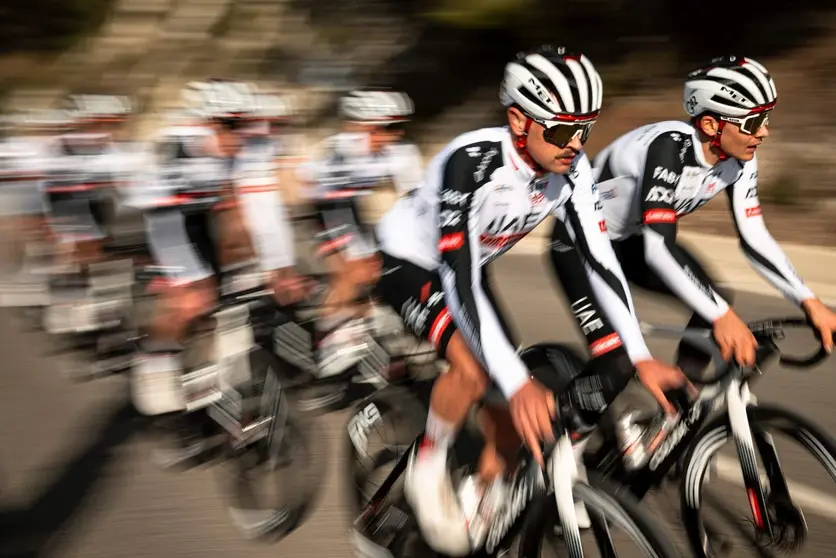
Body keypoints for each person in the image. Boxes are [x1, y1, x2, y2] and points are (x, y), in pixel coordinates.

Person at [374, 45, 690, 556]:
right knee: (478, 370)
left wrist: (639, 354)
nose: (576, 143)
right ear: (519, 121)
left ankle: (484, 493)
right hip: (411, 261)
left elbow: (600, 261)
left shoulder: (574, 169)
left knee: (505, 397)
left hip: (469, 268)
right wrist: (520, 382)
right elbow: (459, 283)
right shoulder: (470, 165)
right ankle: (426, 464)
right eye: (563, 130)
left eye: (585, 129)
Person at [591, 55, 836, 393]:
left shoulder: (739, 157)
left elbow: (754, 236)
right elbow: (659, 248)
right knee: (620, 361)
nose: (764, 132)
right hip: (582, 245)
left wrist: (808, 301)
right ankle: (568, 439)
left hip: (629, 241)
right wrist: (723, 317)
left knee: (715, 297)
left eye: (765, 118)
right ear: (710, 126)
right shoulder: (668, 149)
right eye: (752, 122)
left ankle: (679, 407)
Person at [128, 79, 305, 423]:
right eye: (228, 124)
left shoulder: (242, 151)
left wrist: (277, 266)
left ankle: (213, 383)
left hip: (205, 219)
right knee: (193, 300)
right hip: (166, 222)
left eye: (242, 124)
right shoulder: (173, 149)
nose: (237, 134)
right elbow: (163, 222)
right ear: (201, 122)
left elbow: (259, 211)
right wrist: (191, 280)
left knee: (233, 297)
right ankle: (153, 358)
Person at [296, 88, 424, 377]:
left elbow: (417, 201)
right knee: (354, 270)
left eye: (399, 126)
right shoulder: (338, 153)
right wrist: (347, 259)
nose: (396, 134)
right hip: (323, 210)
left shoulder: (403, 152)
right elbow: (331, 211)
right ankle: (326, 340)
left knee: (390, 264)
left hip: (352, 207)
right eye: (388, 127)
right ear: (361, 126)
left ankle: (371, 326)